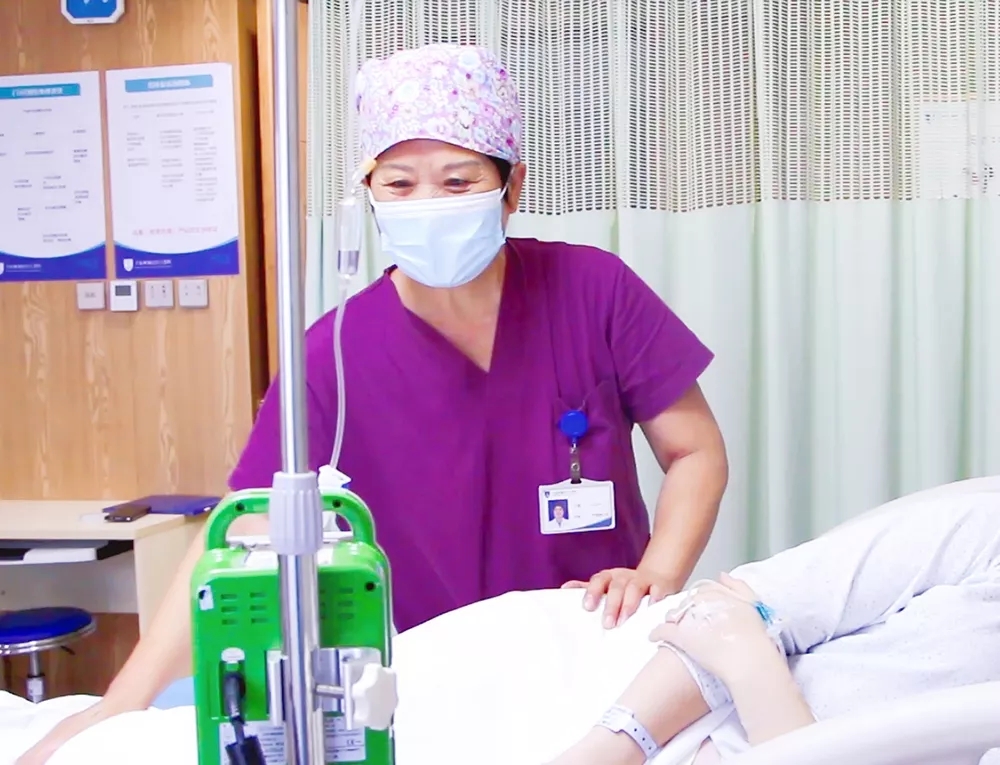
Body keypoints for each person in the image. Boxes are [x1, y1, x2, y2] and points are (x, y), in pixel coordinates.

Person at [17, 43, 727, 764]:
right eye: (400, 183)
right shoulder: (333, 355)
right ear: (370, 193)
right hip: (434, 679)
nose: (428, 205)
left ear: (511, 188)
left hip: (595, 649)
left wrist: (657, 575)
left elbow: (694, 451)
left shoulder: (593, 292)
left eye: (458, 181)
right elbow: (239, 531)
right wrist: (120, 704)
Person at [543, 482, 1000, 764]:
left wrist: (751, 666)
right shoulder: (987, 531)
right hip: (621, 694)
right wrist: (612, 747)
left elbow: (739, 625)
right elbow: (742, 602)